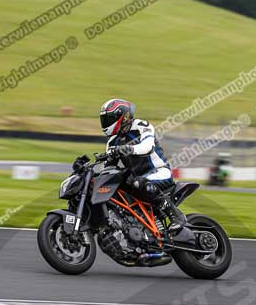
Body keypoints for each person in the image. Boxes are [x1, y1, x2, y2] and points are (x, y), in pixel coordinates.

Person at [75, 98, 186, 233]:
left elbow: (147, 146)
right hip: (137, 179)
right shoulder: (112, 141)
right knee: (114, 187)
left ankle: (176, 215)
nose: (106, 123)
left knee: (138, 183)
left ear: (123, 116)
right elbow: (108, 169)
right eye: (104, 119)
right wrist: (89, 174)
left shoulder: (141, 126)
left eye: (109, 119)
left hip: (159, 172)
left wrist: (129, 149)